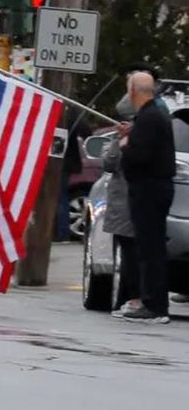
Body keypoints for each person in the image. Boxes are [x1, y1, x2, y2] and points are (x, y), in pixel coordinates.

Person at [119, 71, 175, 324]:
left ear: (133, 92)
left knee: (150, 248)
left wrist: (125, 143)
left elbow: (140, 156)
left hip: (149, 188)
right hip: (155, 188)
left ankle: (154, 304)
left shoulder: (149, 118)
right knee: (150, 247)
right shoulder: (152, 116)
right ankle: (152, 300)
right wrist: (133, 133)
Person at [102, 96, 140, 317]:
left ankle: (132, 297)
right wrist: (118, 139)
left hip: (132, 201)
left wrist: (126, 139)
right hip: (122, 202)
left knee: (132, 255)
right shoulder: (120, 138)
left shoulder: (142, 135)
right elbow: (109, 163)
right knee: (126, 250)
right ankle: (125, 298)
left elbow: (113, 163)